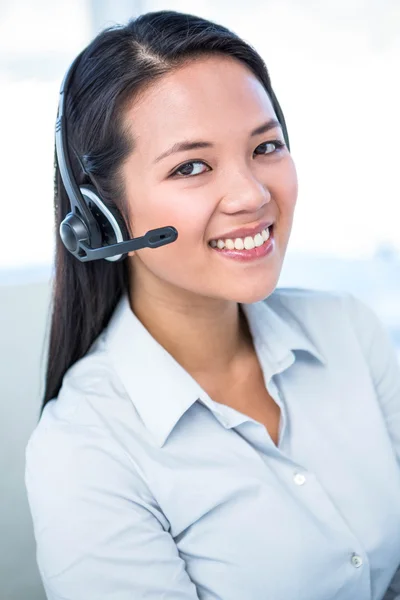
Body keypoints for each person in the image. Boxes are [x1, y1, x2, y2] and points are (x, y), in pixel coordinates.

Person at [24, 9, 400, 600]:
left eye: (266, 146)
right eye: (191, 166)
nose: (252, 194)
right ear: (102, 215)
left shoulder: (348, 331)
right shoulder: (84, 450)